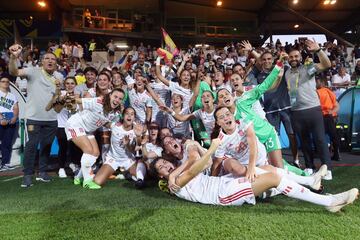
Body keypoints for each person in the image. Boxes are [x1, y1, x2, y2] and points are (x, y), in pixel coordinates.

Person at [150, 139, 358, 213]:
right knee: (273, 179)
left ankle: (310, 181)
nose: (165, 164)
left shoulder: (176, 174)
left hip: (225, 183)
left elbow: (196, 163)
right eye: (161, 166)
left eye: (163, 161)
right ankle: (329, 201)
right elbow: (195, 168)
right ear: (159, 176)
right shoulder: (175, 183)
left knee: (266, 170)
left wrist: (188, 154)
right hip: (222, 195)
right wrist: (210, 148)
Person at [8, 44, 64, 187]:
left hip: (51, 118)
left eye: (53, 59)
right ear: (42, 61)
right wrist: (13, 57)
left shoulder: (59, 77)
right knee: (32, 145)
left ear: (56, 63)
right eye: (47, 58)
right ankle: (27, 175)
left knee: (46, 145)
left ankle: (43, 172)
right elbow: (14, 72)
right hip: (34, 117)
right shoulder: (33, 71)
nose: (50, 61)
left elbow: (56, 100)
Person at [284, 39, 333, 178]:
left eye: (296, 56)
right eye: (291, 57)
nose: (293, 59)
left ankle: (327, 169)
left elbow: (326, 64)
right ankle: (310, 167)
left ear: (300, 57)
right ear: (288, 59)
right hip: (296, 112)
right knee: (304, 142)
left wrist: (318, 50)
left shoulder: (308, 68)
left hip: (313, 109)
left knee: (320, 140)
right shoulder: (287, 73)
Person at [64, 88, 124, 189]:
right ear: (110, 96)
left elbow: (106, 122)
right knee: (88, 150)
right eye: (115, 96)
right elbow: (78, 100)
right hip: (75, 124)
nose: (117, 100)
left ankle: (78, 178)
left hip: (87, 130)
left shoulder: (115, 113)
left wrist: (117, 127)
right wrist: (68, 98)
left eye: (120, 98)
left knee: (95, 153)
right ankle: (87, 181)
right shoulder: (98, 102)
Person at [92, 107, 148, 189]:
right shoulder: (115, 126)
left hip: (128, 160)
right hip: (113, 159)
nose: (129, 116)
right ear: (123, 116)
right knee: (97, 181)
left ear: (134, 117)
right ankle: (123, 172)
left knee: (143, 178)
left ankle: (127, 173)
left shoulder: (137, 128)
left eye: (132, 114)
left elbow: (134, 148)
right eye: (127, 113)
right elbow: (102, 122)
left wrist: (136, 137)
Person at [316, 78, 341, 161]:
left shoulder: (320, 92)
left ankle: (331, 154)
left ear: (322, 83)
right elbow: (337, 105)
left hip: (324, 116)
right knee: (332, 136)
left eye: (317, 81)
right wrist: (332, 112)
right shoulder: (328, 91)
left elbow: (336, 105)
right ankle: (335, 154)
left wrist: (331, 112)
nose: (316, 83)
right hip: (328, 116)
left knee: (321, 136)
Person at [0, 76, 19, 171]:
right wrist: (1, 118)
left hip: (11, 119)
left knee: (6, 143)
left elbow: (16, 107)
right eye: (3, 81)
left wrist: (15, 117)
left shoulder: (12, 95)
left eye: (7, 81)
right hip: (1, 118)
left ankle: (5, 163)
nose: (5, 83)